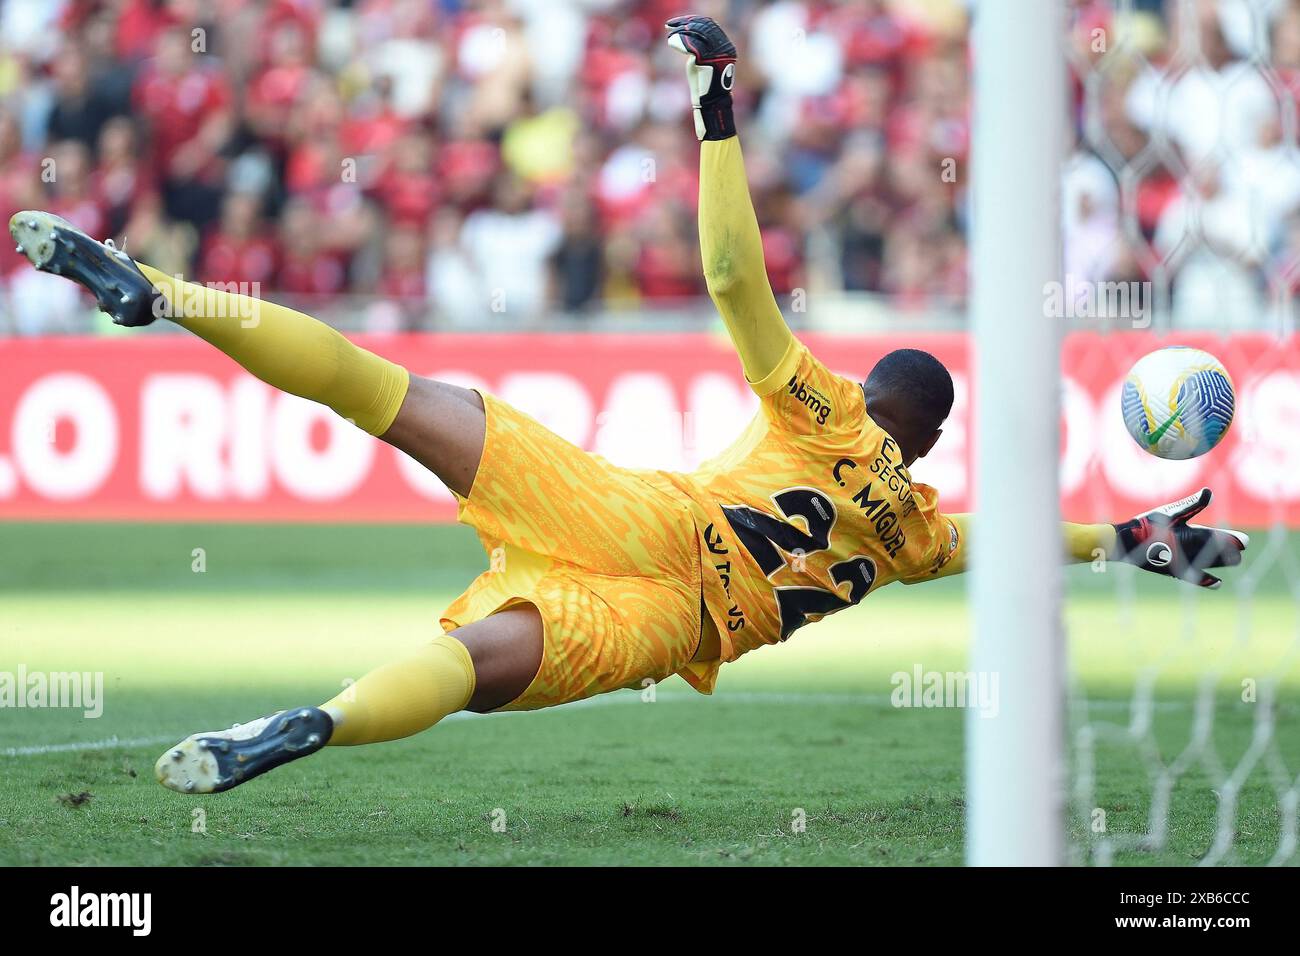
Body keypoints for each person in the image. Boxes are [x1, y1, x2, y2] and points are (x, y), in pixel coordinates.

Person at [9, 16, 1248, 795]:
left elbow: (728, 278)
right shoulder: (918, 529)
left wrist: (715, 111)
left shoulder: (827, 411)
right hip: (672, 621)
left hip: (640, 512)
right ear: (932, 440)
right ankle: (317, 724)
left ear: (875, 402)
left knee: (386, 395)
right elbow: (1033, 537)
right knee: (466, 660)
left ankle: (167, 292)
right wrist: (1143, 538)